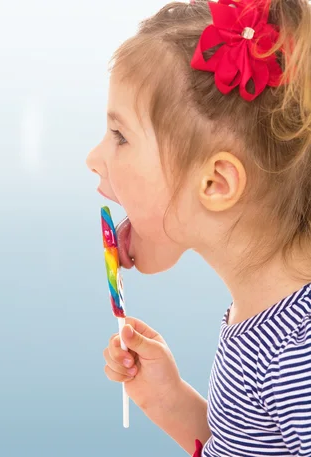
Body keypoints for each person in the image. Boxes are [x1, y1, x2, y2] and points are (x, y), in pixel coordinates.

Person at [86, 0, 311, 455]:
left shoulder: (295, 360)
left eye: (121, 136)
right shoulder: (266, 321)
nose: (94, 159)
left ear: (215, 182)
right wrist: (169, 401)